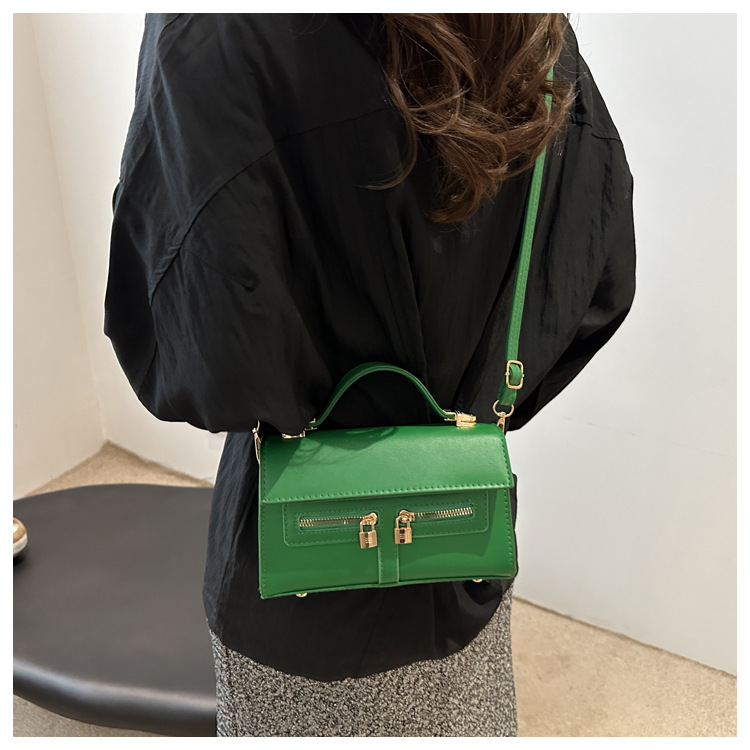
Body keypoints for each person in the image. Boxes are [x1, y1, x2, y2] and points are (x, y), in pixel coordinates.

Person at [104, 13, 636, 737]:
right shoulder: (535, 35)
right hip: (462, 554)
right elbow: (595, 278)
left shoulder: (214, 29)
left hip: (292, 594)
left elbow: (191, 338)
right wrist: (478, 399)